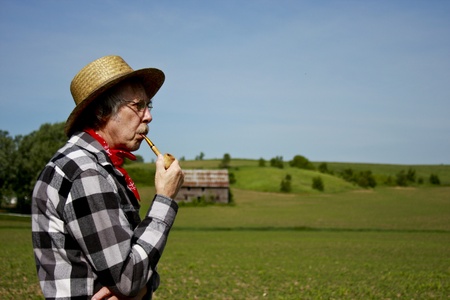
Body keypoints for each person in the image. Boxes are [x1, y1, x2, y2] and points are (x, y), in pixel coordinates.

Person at [31, 55, 184, 300]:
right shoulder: (86, 172)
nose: (148, 116)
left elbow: (136, 269)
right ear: (103, 111)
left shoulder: (87, 164)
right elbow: (129, 278)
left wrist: (143, 284)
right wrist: (165, 199)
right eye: (138, 106)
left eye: (149, 106)